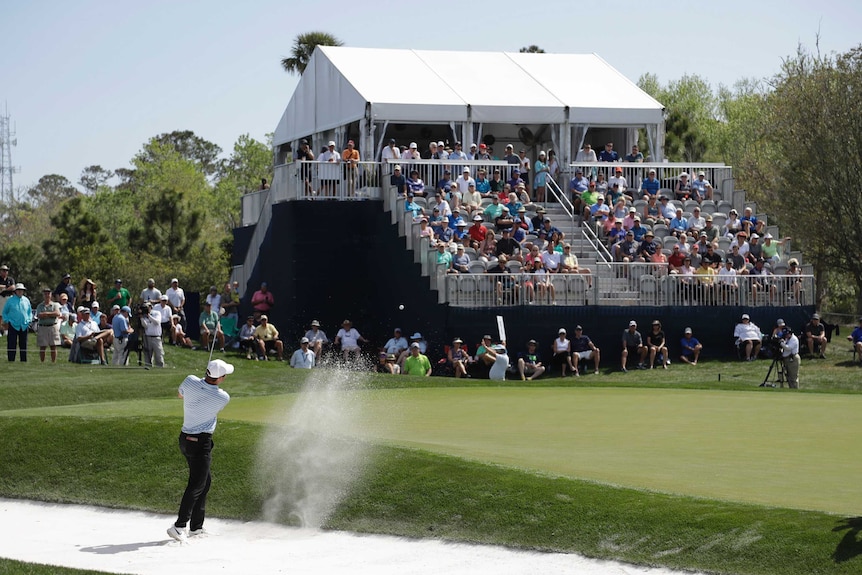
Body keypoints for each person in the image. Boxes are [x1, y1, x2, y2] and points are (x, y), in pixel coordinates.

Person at [167, 359, 233, 542]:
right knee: (197, 484)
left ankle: (196, 527)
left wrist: (197, 387)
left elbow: (180, 395)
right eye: (224, 375)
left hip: (185, 439)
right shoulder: (223, 397)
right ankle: (180, 526)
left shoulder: (189, 380)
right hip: (200, 442)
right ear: (220, 378)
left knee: (205, 481)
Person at [3, 283, 32, 362]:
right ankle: (11, 360)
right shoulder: (10, 300)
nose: (20, 292)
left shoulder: (26, 300)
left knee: (23, 344)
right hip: (13, 324)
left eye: (21, 290)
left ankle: (23, 360)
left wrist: (29, 320)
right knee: (12, 344)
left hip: (24, 325)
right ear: (15, 291)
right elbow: (4, 312)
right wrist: (7, 320)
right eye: (18, 290)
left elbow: (30, 312)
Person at [35, 288, 63, 363]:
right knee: (42, 346)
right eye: (45, 294)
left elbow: (57, 314)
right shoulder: (40, 306)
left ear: (51, 295)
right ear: (43, 295)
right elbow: (39, 315)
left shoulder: (55, 305)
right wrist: (51, 314)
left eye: (48, 293)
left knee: (53, 346)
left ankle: (53, 362)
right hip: (43, 327)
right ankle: (42, 362)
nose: (47, 295)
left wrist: (46, 313)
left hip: (52, 326)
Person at [141, 303, 165, 367]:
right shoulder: (144, 315)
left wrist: (149, 316)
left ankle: (160, 367)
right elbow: (145, 326)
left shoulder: (156, 313)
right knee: (147, 354)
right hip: (147, 337)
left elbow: (157, 322)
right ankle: (148, 366)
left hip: (156, 337)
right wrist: (142, 318)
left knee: (158, 354)